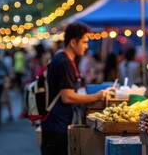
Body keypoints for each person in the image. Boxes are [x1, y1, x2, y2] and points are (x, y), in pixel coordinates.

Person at [41, 22, 110, 155]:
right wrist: (97, 96)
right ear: (73, 42)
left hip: (56, 123)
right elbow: (67, 97)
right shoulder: (64, 62)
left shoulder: (62, 57)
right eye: (84, 42)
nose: (86, 46)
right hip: (56, 126)